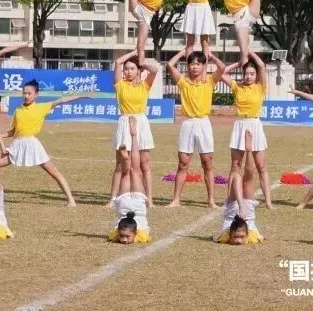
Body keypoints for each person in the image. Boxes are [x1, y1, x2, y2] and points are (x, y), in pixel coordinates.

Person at [0, 80, 90, 207]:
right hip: (18, 145)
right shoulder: (18, 110)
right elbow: (14, 132)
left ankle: (71, 200)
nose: (26, 96)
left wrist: (81, 96)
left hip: (33, 145)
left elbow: (62, 100)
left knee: (54, 172)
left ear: (36, 95)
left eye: (29, 93)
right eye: (24, 93)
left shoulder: (42, 107)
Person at [165, 48, 229, 208]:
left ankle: (211, 200)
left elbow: (222, 68)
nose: (195, 67)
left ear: (203, 66)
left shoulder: (209, 81)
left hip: (203, 123)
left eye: (198, 64)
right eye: (192, 64)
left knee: (207, 162)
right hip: (188, 123)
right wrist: (182, 53)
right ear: (188, 66)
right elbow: (170, 65)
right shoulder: (183, 82)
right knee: (183, 163)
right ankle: (176, 200)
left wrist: (212, 56)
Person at [107, 50, 159, 208]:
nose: (128, 72)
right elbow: (117, 62)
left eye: (132, 69)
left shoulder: (144, 85)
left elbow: (155, 70)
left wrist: (142, 63)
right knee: (120, 164)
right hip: (124, 121)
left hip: (141, 123)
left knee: (144, 164)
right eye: (126, 69)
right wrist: (134, 52)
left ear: (138, 71)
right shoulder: (120, 85)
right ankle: (113, 199)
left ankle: (149, 199)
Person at [227, 52, 274, 208]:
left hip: (255, 125)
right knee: (235, 165)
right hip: (240, 125)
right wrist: (238, 63)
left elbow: (261, 66)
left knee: (261, 166)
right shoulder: (237, 87)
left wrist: (249, 51)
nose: (249, 76)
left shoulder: (260, 87)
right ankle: (231, 199)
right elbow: (221, 73)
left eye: (252, 74)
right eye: (246, 73)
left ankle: (268, 202)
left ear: (256, 75)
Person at [217, 130, 264, 245]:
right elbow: (260, 237)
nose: (238, 241)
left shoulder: (224, 236)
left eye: (240, 237)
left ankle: (248, 150)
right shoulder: (252, 236)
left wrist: (240, 207)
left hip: (232, 210)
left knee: (237, 176)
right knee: (248, 177)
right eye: (237, 237)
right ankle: (249, 151)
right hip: (248, 213)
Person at [110, 115, 151, 244]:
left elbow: (117, 235)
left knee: (132, 172)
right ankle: (133, 138)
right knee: (131, 172)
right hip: (126, 207)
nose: (123, 240)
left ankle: (127, 156)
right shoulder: (139, 235)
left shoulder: (142, 234)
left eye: (124, 236)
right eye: (125, 236)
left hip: (134, 207)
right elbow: (114, 235)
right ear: (135, 233)